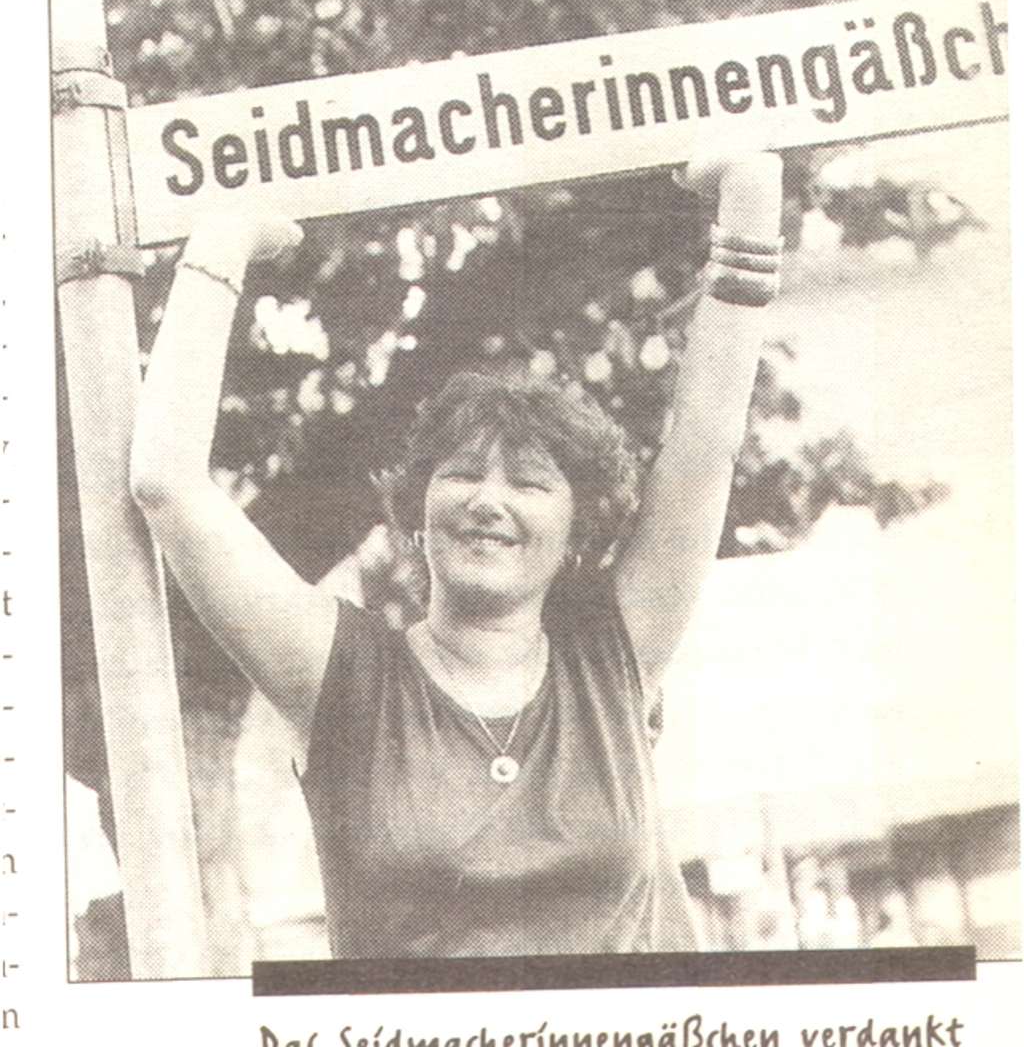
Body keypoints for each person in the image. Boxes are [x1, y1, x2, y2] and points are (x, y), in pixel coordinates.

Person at [130, 153, 784, 958]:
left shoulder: (613, 653)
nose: (488, 500)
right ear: (416, 515)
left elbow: (704, 449)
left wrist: (749, 211)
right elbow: (167, 487)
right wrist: (219, 248)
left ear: (578, 533)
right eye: (463, 473)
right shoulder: (344, 676)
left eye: (531, 484)